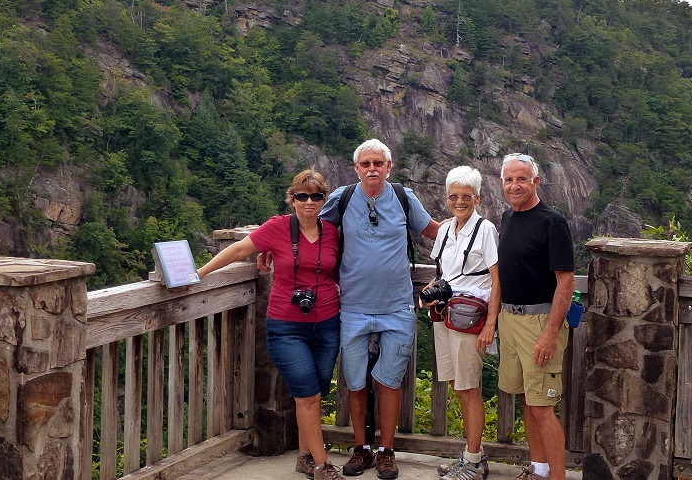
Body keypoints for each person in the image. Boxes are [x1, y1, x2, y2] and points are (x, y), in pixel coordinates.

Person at [196, 169, 344, 480]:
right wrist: (199, 274)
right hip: (287, 326)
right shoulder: (277, 228)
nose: (308, 202)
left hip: (328, 325)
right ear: (292, 200)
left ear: (323, 200)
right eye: (301, 196)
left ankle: (304, 456)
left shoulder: (332, 232)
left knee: (314, 392)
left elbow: (346, 267)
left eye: (315, 196)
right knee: (308, 396)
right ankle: (322, 465)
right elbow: (238, 250)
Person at [318, 139, 440, 480]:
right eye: (366, 163)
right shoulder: (341, 198)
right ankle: (362, 450)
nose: (372, 168)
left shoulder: (403, 198)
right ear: (356, 168)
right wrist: (278, 248)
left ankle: (387, 452)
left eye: (378, 163)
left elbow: (433, 231)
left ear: (389, 166)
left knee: (389, 382)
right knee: (355, 383)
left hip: (397, 307)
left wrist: (476, 240)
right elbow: (315, 231)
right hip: (353, 307)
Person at [496, 154, 575, 480]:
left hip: (539, 323)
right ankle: (539, 470)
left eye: (521, 179)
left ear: (535, 182)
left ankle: (557, 477)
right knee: (528, 401)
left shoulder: (552, 222)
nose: (515, 185)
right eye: (509, 180)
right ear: (502, 183)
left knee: (542, 406)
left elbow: (566, 281)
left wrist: (549, 333)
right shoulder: (507, 218)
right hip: (510, 320)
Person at [421, 166, 501, 480]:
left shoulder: (486, 230)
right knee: (457, 385)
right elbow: (442, 274)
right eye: (454, 196)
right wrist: (429, 292)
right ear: (447, 198)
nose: (460, 201)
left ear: (478, 198)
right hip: (444, 315)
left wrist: (491, 324)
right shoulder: (444, 230)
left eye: (466, 196)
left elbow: (497, 280)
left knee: (469, 389)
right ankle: (473, 456)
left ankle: (472, 462)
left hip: (471, 320)